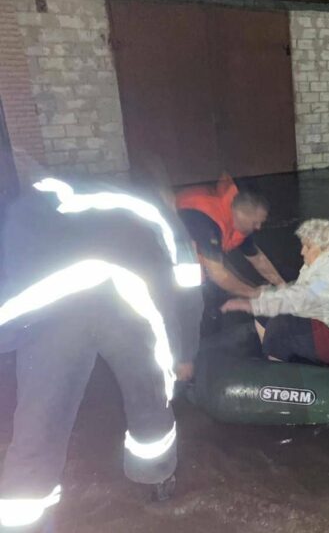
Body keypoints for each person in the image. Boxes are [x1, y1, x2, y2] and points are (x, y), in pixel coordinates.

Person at [0, 175, 203, 531]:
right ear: (167, 198)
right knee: (149, 393)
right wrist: (184, 354)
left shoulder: (37, 205)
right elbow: (188, 290)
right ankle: (157, 482)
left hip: (49, 303)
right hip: (124, 300)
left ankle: (22, 522)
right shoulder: (162, 215)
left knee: (39, 419)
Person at [221, 219, 329, 367]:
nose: (302, 251)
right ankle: (274, 355)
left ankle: (277, 376)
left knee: (280, 326)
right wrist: (264, 298)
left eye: (307, 247)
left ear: (325, 247)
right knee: (265, 315)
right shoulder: (321, 261)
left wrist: (251, 304)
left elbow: (307, 296)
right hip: (321, 318)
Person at [176, 174, 284, 334]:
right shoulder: (207, 220)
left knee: (230, 284)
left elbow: (258, 258)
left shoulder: (237, 219)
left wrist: (282, 285)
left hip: (202, 257)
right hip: (170, 263)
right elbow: (218, 274)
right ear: (241, 213)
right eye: (256, 222)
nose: (259, 227)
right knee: (199, 303)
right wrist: (254, 293)